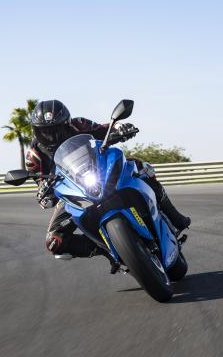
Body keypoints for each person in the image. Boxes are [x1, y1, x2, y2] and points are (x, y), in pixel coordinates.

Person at [25, 100, 190, 272]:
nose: (52, 135)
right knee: (54, 241)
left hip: (98, 171)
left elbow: (103, 129)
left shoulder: (79, 125)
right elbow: (41, 182)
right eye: (45, 131)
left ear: (67, 123)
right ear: (36, 130)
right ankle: (107, 250)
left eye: (57, 129)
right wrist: (43, 193)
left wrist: (120, 129)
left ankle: (174, 216)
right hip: (72, 191)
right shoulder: (34, 155)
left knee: (141, 168)